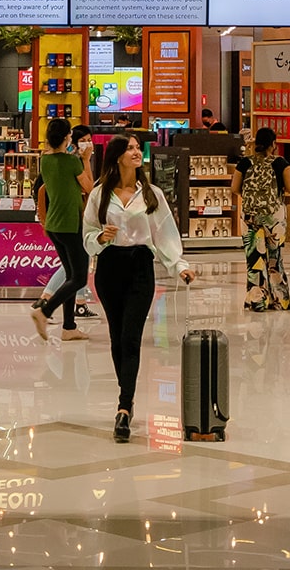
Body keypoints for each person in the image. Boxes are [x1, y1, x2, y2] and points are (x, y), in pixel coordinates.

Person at [84, 137, 195, 443]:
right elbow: (88, 234)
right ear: (117, 156)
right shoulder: (100, 194)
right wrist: (101, 238)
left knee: (131, 337)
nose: (137, 152)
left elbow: (165, 234)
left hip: (140, 268)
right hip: (109, 269)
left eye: (137, 148)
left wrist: (179, 265)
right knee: (117, 338)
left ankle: (123, 407)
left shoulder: (151, 194)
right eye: (130, 148)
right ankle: (127, 397)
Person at [30, 119, 94, 342]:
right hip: (72, 224)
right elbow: (89, 188)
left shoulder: (44, 161)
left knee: (70, 275)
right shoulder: (72, 162)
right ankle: (45, 311)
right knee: (79, 279)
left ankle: (69, 327)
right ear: (68, 137)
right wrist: (86, 160)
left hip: (54, 226)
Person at [231, 127, 290, 311]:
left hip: (250, 218)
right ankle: (280, 300)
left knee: (254, 261)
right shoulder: (280, 163)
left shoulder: (245, 163)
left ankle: (257, 300)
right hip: (274, 220)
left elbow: (235, 188)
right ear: (273, 144)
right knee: (275, 259)